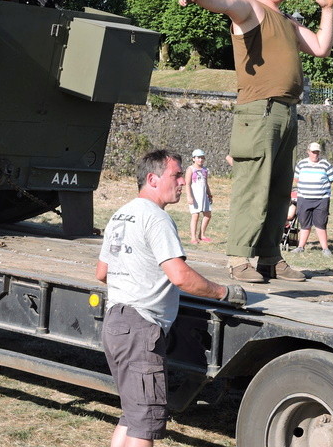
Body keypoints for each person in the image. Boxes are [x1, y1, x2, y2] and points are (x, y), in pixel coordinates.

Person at [173, 0, 333, 283]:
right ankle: (238, 258)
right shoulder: (251, 8)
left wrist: (328, 10)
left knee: (278, 191)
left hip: (287, 113)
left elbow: (320, 48)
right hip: (258, 111)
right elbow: (227, 3)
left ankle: (270, 258)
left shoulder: (288, 22)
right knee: (253, 188)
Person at [95, 150, 246, 447]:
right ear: (152, 179)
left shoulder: (120, 214)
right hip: (140, 329)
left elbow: (102, 273)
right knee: (147, 422)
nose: (181, 182)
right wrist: (224, 292)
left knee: (134, 416)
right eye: (176, 175)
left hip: (116, 322)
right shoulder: (157, 218)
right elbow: (179, 275)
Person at [292, 142, 333, 256]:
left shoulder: (325, 164)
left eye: (317, 152)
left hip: (321, 199)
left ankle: (325, 249)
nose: (315, 154)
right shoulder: (301, 164)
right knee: (304, 224)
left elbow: (332, 178)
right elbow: (296, 179)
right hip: (304, 198)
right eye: (313, 152)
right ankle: (301, 247)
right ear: (308, 152)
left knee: (321, 224)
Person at [186, 148, 212, 244]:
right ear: (193, 159)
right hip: (195, 196)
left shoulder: (205, 170)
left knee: (208, 214)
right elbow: (188, 184)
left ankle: (202, 235)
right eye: (198, 158)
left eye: (202, 158)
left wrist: (209, 194)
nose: (200, 160)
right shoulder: (190, 169)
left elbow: (206, 183)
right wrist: (189, 196)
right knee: (195, 215)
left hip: (204, 196)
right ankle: (193, 237)